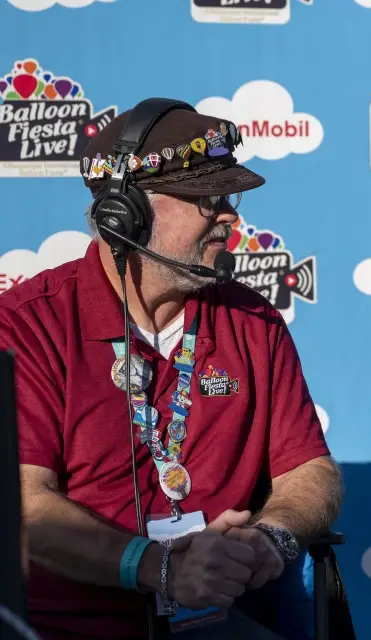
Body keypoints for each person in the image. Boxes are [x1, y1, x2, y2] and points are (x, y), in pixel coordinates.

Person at [0, 101, 343, 640]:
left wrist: (269, 537)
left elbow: (311, 471)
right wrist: (159, 567)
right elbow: (23, 506)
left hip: (219, 622)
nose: (230, 215)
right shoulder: (26, 326)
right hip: (69, 627)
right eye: (208, 198)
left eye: (229, 197)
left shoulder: (253, 320)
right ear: (126, 213)